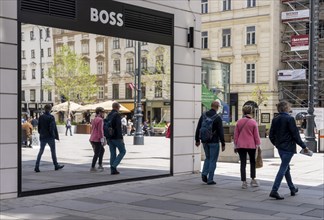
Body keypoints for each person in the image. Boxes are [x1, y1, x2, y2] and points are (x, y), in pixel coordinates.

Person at [269, 101, 310, 200]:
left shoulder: (275, 119)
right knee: (283, 168)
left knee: (286, 168)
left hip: (280, 148)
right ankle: (274, 190)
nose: (289, 107)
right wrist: (304, 146)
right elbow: (295, 135)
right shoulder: (289, 119)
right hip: (288, 148)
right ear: (285, 108)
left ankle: (292, 188)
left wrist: (277, 144)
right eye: (289, 106)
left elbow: (271, 135)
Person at [195, 101, 226, 185]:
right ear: (218, 107)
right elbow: (220, 131)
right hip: (214, 142)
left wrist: (197, 139)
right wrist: (223, 143)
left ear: (211, 106)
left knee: (207, 158)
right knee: (213, 160)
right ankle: (210, 179)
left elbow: (198, 128)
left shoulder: (203, 115)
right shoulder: (217, 117)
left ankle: (204, 173)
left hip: (204, 141)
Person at [234, 105, 261, 189]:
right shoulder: (253, 122)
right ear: (251, 112)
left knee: (243, 163)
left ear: (243, 112)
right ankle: (253, 179)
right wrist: (258, 145)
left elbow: (236, 135)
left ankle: (244, 182)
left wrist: (235, 145)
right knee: (252, 162)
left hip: (240, 145)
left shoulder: (239, 122)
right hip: (251, 145)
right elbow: (256, 135)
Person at [34, 104, 64, 172]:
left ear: (44, 109)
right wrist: (54, 135)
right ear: (50, 109)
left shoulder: (41, 117)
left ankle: (37, 165)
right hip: (50, 137)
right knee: (53, 152)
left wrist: (41, 133)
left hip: (43, 136)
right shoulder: (51, 117)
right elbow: (52, 127)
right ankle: (56, 165)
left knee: (41, 151)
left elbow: (39, 127)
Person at [106, 102, 126, 175]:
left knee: (113, 153)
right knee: (123, 151)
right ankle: (114, 165)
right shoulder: (117, 115)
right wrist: (121, 137)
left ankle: (113, 170)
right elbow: (118, 127)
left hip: (110, 137)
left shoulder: (109, 115)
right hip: (117, 137)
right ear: (117, 107)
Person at [89, 107, 105, 172]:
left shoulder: (94, 119)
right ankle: (93, 167)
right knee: (97, 153)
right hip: (97, 138)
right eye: (103, 112)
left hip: (92, 137)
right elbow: (100, 130)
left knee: (101, 150)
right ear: (100, 112)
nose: (103, 114)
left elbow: (93, 128)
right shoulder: (100, 120)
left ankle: (100, 165)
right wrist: (102, 138)